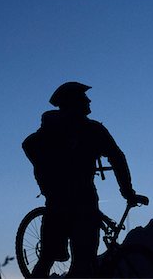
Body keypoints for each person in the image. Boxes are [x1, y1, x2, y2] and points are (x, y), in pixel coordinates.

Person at [22, 82, 138, 278]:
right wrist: (127, 191)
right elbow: (117, 157)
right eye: (84, 98)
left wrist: (46, 177)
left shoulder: (50, 130)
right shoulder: (93, 130)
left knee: (47, 258)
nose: (89, 100)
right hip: (83, 199)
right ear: (74, 102)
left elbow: (28, 145)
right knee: (83, 261)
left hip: (56, 199)